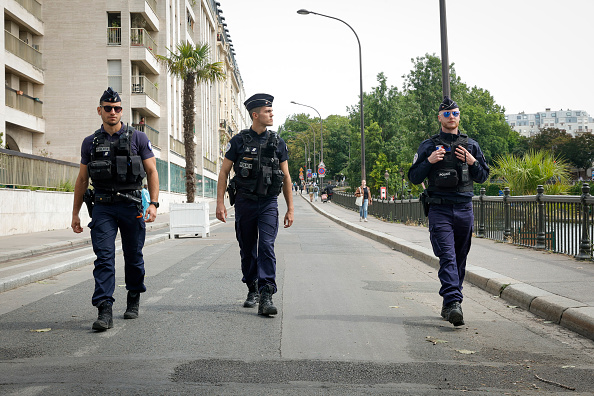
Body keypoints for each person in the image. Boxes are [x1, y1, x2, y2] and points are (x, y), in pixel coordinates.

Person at [71, 87, 159, 331]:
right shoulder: (90, 143)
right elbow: (81, 180)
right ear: (100, 110)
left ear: (122, 111)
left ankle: (133, 297)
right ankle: (104, 309)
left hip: (132, 205)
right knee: (104, 258)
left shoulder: (138, 138)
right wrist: (75, 213)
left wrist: (153, 203)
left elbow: (152, 172)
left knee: (133, 257)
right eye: (108, 108)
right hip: (103, 207)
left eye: (117, 108)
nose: (113, 112)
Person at [408, 96, 489, 327]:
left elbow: (483, 176)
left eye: (454, 113)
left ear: (459, 116)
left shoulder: (471, 145)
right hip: (439, 209)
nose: (451, 117)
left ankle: (448, 303)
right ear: (439, 118)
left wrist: (473, 162)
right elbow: (414, 177)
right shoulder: (429, 145)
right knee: (447, 256)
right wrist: (430, 161)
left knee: (460, 258)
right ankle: (454, 302)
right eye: (446, 114)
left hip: (464, 209)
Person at [216, 93, 294, 317]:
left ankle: (266, 293)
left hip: (268, 203)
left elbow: (287, 177)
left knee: (266, 246)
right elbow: (223, 172)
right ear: (255, 114)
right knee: (247, 248)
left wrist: (290, 208)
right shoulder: (239, 141)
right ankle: (252, 287)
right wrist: (220, 203)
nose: (272, 114)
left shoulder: (278, 142)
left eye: (271, 111)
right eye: (268, 112)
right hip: (245, 202)